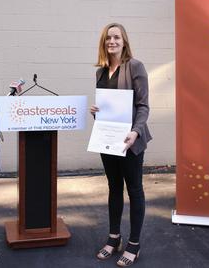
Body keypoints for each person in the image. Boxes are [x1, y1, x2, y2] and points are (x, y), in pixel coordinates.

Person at [90, 23, 152, 267]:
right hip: (108, 140)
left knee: (134, 190)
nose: (111, 41)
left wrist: (136, 132)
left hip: (131, 141)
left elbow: (144, 105)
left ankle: (134, 245)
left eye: (116, 37)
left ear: (124, 41)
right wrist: (97, 112)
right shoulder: (101, 72)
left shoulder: (135, 66)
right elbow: (108, 108)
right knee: (114, 188)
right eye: (108, 38)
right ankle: (113, 238)